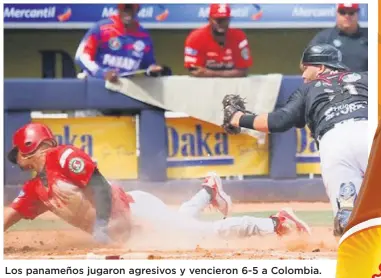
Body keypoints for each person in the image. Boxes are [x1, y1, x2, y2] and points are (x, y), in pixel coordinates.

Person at [4, 123, 310, 244]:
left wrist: (100, 225)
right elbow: (10, 215)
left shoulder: (63, 155)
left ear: (32, 146)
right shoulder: (35, 189)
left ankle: (276, 223)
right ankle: (208, 191)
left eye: (19, 152)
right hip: (130, 227)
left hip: (137, 213)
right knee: (180, 226)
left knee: (202, 236)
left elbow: (97, 186)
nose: (17, 159)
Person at [221, 43, 368, 237]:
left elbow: (278, 121)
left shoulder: (307, 90)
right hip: (369, 132)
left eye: (306, 68)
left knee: (348, 223)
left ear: (321, 67)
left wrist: (237, 117)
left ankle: (347, 210)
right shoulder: (365, 78)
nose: (303, 75)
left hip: (333, 141)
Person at [75, 4, 171, 83]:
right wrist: (103, 73)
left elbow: (147, 65)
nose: (128, 13)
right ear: (118, 9)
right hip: (96, 84)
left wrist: (153, 70)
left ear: (137, 10)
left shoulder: (144, 36)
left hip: (126, 89)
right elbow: (81, 57)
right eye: (125, 9)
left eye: (131, 9)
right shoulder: (101, 28)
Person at [184, 4, 253, 77]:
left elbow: (243, 71)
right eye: (218, 20)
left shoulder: (239, 37)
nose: (222, 24)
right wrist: (230, 73)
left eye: (225, 20)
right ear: (209, 19)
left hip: (232, 85)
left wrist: (210, 73)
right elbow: (194, 70)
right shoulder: (195, 38)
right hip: (204, 85)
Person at [307, 3, 367, 72]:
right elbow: (306, 64)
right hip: (334, 81)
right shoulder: (324, 38)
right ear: (337, 14)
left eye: (351, 13)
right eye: (342, 12)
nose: (347, 16)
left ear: (357, 14)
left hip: (364, 81)